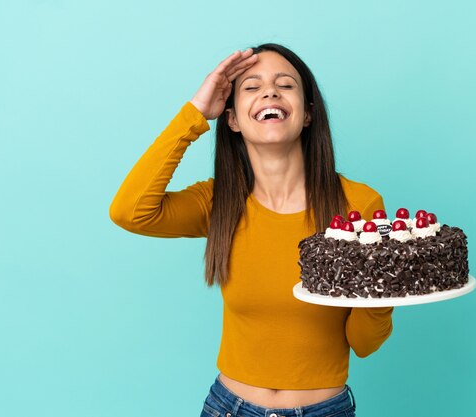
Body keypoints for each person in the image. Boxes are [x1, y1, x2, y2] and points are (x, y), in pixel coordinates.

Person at [109, 43, 394, 417]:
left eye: (286, 84)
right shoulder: (218, 203)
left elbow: (365, 343)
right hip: (229, 408)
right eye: (251, 86)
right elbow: (130, 211)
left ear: (308, 114)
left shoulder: (359, 205)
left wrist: (384, 288)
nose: (270, 92)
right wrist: (195, 113)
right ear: (232, 119)